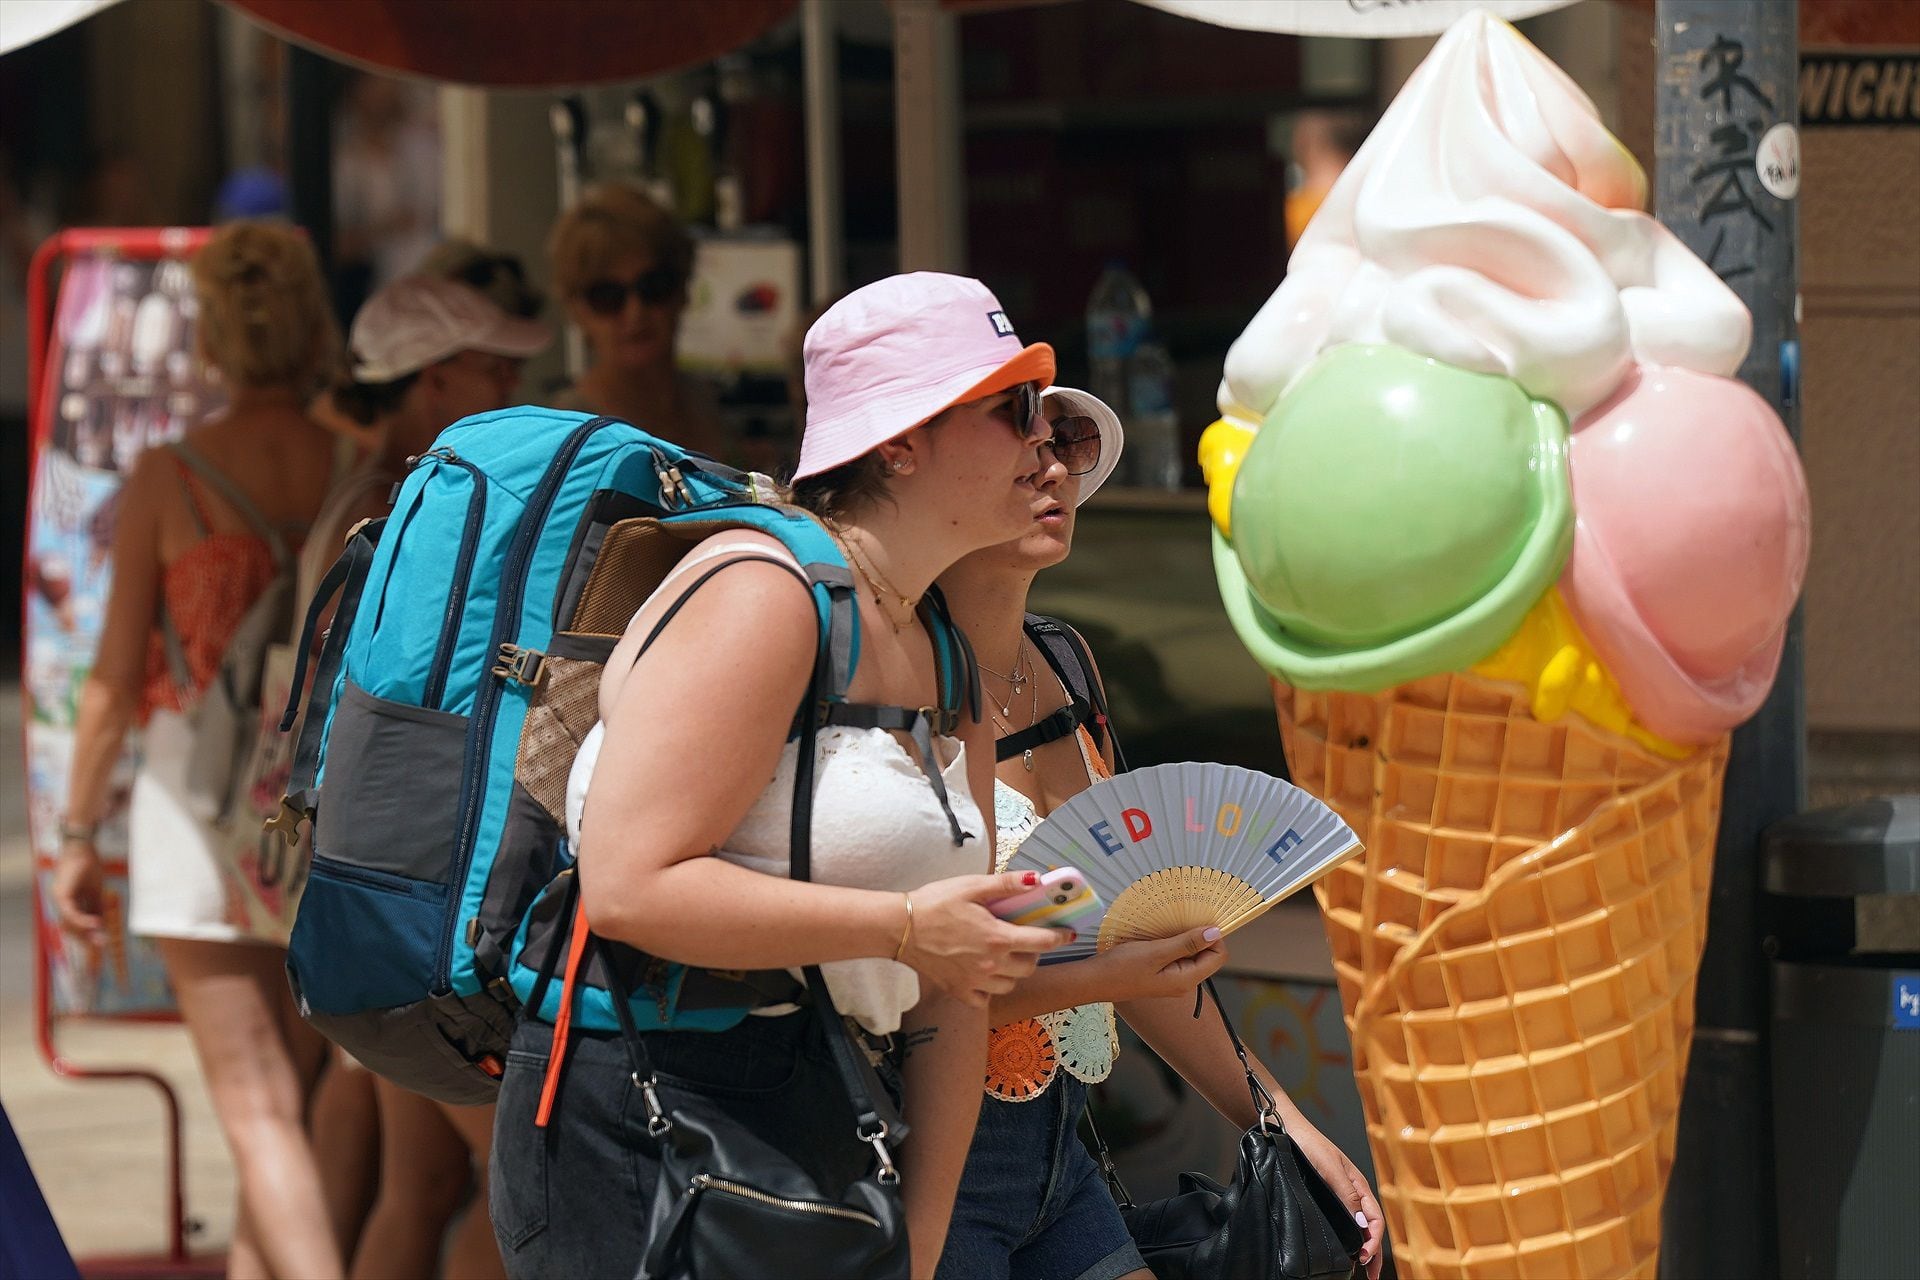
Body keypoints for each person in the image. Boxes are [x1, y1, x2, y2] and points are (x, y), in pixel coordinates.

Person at [490, 273, 1079, 1278]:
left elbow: (956, 982)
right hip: (645, 1109)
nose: (1045, 442)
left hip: (822, 1101)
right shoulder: (763, 597)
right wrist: (899, 929)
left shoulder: (944, 649)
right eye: (1011, 408)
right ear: (900, 440)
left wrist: (921, 1246)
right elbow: (630, 883)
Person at [933, 386, 1387, 1280]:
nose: (1052, 464)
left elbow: (1119, 934)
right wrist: (1111, 970)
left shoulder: (1065, 663)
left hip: (1057, 1151)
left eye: (1065, 439)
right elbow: (905, 995)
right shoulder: (892, 681)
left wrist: (1280, 1121)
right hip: (926, 1157)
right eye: (1022, 440)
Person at [51, 221, 348, 1279]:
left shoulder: (171, 478)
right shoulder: (355, 466)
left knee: (257, 1106)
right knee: (298, 1103)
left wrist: (78, 832)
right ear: (316, 325)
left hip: (194, 808)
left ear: (212, 336)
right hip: (322, 805)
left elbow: (114, 684)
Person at [318, 273, 550, 1280]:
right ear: (426, 378)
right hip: (414, 883)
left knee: (420, 1188)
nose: (511, 385)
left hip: (370, 875)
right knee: (512, 1192)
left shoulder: (380, 495)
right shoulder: (410, 509)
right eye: (490, 368)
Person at [545, 181, 728, 458]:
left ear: (682, 288)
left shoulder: (709, 403)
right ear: (576, 309)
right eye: (607, 296)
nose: (635, 312)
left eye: (653, 286)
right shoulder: (567, 434)